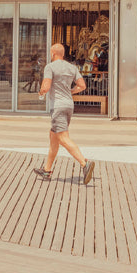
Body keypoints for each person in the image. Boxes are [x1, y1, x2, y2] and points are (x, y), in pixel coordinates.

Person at [32, 44, 95, 185]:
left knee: (63, 137)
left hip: (58, 106)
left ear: (53, 53)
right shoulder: (72, 67)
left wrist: (41, 91)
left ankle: (85, 164)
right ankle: (47, 170)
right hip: (69, 105)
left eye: (50, 53)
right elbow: (82, 86)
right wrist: (70, 91)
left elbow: (46, 87)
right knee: (54, 137)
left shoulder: (50, 67)